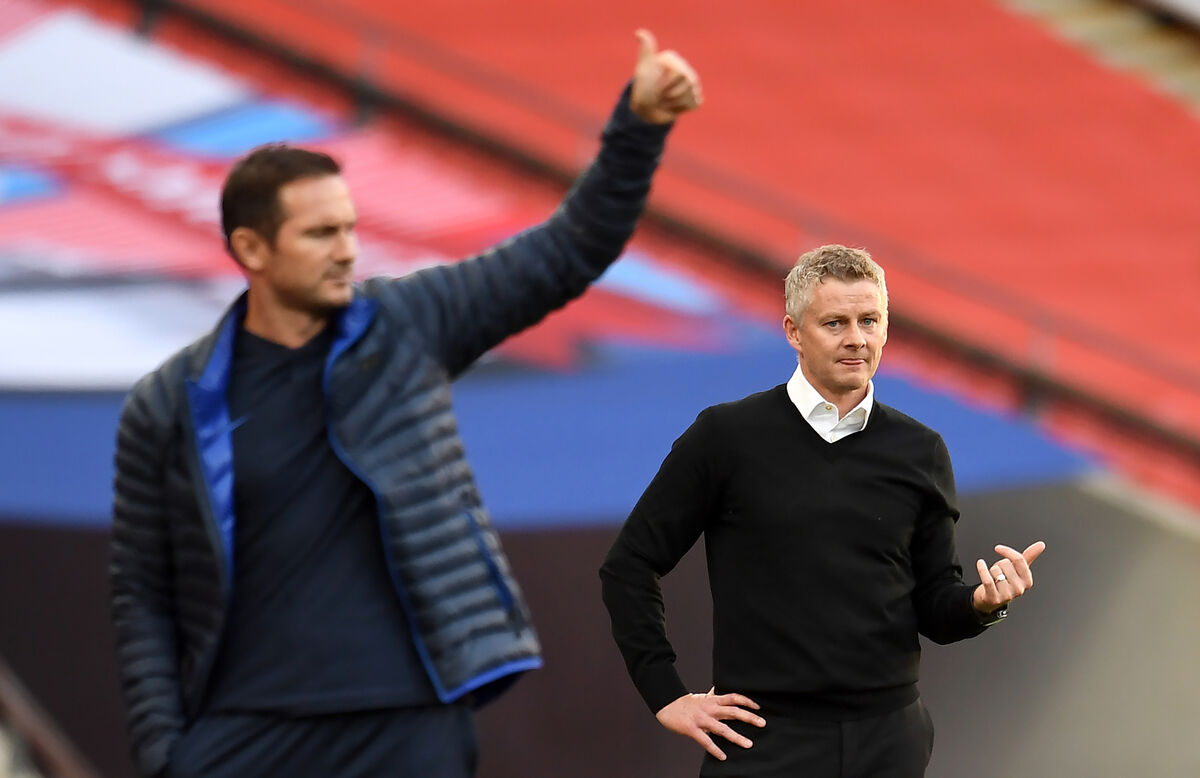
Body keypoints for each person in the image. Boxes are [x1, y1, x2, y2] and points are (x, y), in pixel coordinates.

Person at [109, 30, 702, 778]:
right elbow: (142, 590)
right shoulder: (169, 404)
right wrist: (164, 752)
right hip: (247, 730)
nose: (347, 250)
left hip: (406, 721)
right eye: (321, 234)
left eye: (350, 228)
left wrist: (639, 126)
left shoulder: (408, 323)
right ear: (252, 249)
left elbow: (568, 249)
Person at [599, 244, 1046, 778]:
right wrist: (666, 694)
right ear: (793, 332)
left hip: (889, 742)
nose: (856, 338)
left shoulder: (920, 450)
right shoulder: (725, 437)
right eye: (835, 323)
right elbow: (629, 565)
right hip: (764, 741)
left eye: (869, 320)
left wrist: (982, 603)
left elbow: (934, 606)